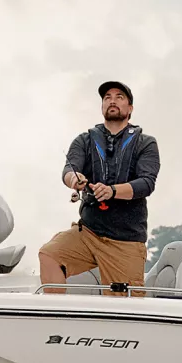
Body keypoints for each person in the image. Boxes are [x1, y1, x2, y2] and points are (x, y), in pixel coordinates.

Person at [39, 81, 161, 292]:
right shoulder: (84, 140)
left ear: (130, 108)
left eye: (119, 97)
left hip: (125, 240)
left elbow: (146, 183)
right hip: (88, 233)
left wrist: (112, 191)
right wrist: (74, 181)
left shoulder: (146, 143)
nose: (112, 101)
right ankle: (56, 316)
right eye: (107, 98)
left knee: (124, 309)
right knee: (49, 254)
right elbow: (68, 171)